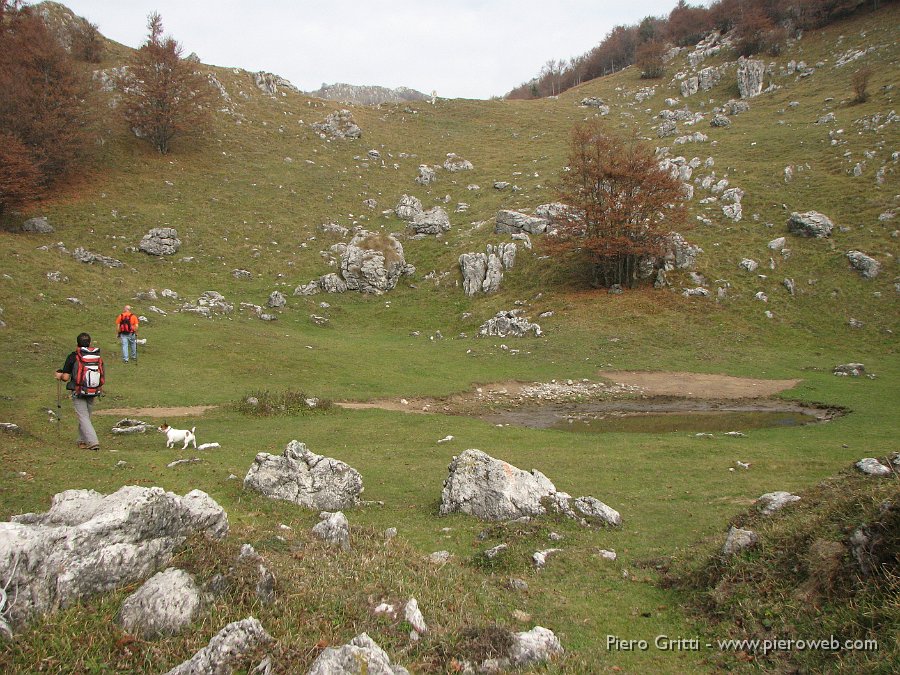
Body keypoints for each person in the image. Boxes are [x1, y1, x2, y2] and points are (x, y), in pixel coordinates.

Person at [55, 332, 103, 451]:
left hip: (78, 390)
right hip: (93, 390)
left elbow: (66, 377)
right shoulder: (96, 356)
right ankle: (82, 441)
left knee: (83, 417)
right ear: (90, 343)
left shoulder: (73, 356)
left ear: (77, 343)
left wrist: (58, 375)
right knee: (86, 416)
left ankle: (93, 441)